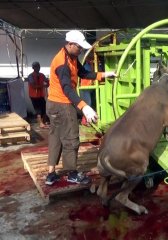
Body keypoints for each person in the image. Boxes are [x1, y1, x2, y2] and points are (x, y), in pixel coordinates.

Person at [45, 30, 116, 185]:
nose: (81, 50)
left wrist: (105, 74)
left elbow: (83, 73)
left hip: (53, 104)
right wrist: (84, 107)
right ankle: (72, 173)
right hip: (62, 104)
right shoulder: (62, 63)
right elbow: (67, 89)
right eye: (79, 48)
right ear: (70, 44)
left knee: (55, 137)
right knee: (71, 138)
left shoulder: (72, 57)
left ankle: (51, 175)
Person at [28, 61, 49, 129]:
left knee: (44, 108)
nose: (38, 67)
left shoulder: (42, 75)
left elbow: (47, 82)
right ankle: (40, 124)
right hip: (34, 96)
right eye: (36, 66)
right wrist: (43, 85)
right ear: (33, 68)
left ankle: (44, 122)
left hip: (41, 95)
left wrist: (48, 82)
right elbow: (33, 85)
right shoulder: (30, 76)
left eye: (39, 66)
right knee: (38, 110)